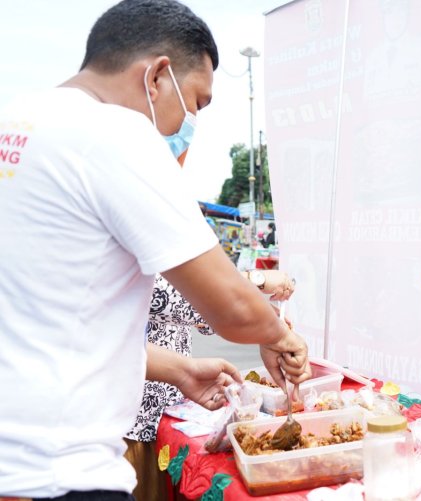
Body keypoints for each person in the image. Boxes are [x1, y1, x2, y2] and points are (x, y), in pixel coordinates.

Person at [0, 1, 310, 498]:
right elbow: (229, 307)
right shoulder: (113, 132)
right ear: (158, 76)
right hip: (55, 470)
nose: (189, 123)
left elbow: (49, 324)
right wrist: (279, 335)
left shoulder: (17, 120)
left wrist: (179, 368)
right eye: (196, 102)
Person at [125, 270, 295, 500]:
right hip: (130, 411)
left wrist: (256, 318)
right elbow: (161, 294)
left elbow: (191, 306)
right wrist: (253, 283)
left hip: (166, 397)